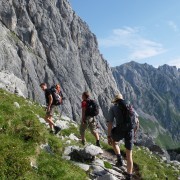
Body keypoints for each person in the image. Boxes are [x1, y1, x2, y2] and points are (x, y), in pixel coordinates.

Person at [107, 93, 135, 180]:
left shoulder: (113, 108)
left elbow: (110, 122)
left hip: (120, 130)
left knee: (114, 142)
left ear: (115, 101)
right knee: (129, 155)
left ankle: (119, 159)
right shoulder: (129, 105)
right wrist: (135, 132)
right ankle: (129, 176)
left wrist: (109, 135)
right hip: (130, 131)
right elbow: (136, 120)